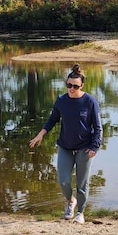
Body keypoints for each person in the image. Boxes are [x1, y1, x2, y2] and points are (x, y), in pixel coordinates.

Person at [29, 64, 103, 224]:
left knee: (82, 183)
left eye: (75, 86)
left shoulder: (90, 102)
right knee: (63, 181)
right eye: (69, 85)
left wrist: (95, 146)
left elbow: (98, 127)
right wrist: (40, 135)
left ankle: (80, 214)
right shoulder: (62, 101)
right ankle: (71, 201)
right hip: (65, 146)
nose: (71, 88)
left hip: (85, 147)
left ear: (82, 85)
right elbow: (52, 120)